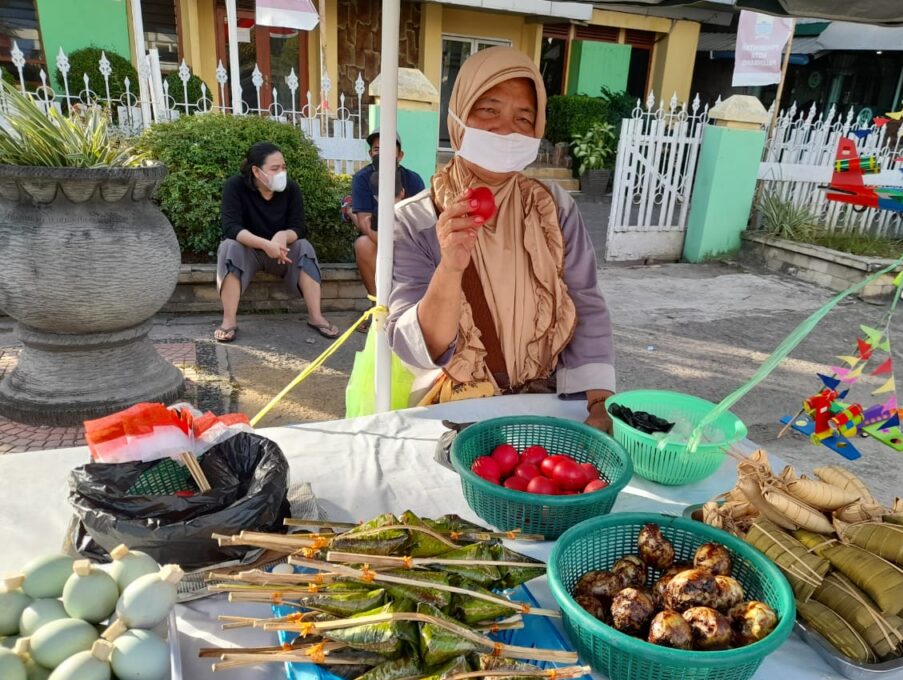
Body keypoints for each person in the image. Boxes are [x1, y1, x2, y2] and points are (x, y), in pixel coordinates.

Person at [385, 47, 615, 432]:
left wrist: (600, 401)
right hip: (457, 409)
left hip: (547, 401)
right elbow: (418, 349)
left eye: (524, 117)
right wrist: (451, 267)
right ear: (457, 114)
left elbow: (585, 301)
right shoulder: (415, 220)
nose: (507, 128)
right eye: (489, 110)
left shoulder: (552, 209)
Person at [215, 141, 339, 343]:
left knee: (304, 247)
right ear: (256, 171)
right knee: (229, 247)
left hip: (283, 254)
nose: (281, 172)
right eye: (274, 168)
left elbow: (299, 227)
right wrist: (266, 245)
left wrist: (282, 236)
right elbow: (231, 227)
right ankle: (229, 321)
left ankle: (316, 317)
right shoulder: (235, 186)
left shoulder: (291, 189)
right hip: (249, 251)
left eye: (283, 167)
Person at [352, 132, 426, 300]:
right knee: (362, 244)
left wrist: (403, 245)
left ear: (400, 155)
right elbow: (364, 221)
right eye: (377, 149)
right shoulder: (361, 179)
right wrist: (389, 245)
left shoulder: (413, 180)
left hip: (408, 239)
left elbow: (421, 220)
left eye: (388, 149)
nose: (382, 154)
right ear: (371, 154)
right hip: (376, 237)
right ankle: (377, 305)